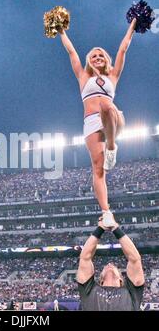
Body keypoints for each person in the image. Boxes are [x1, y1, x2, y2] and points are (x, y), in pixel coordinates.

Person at [58, 19, 137, 226]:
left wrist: (134, 24)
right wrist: (61, 31)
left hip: (113, 120)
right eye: (94, 56)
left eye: (101, 54)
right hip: (91, 123)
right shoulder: (83, 77)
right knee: (98, 169)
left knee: (108, 106)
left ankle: (111, 146)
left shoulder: (113, 76)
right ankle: (106, 211)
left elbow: (123, 48)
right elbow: (71, 52)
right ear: (89, 62)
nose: (98, 57)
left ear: (106, 59)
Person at [76, 217, 144, 311]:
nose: (109, 264)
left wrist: (115, 228)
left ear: (121, 280)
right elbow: (85, 257)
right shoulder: (89, 290)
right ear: (101, 281)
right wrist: (100, 228)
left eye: (114, 266)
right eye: (106, 266)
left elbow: (135, 259)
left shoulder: (132, 292)